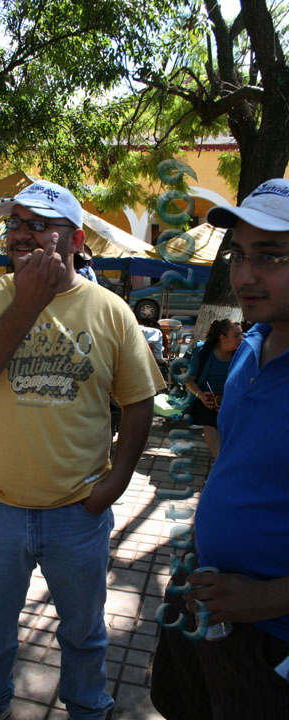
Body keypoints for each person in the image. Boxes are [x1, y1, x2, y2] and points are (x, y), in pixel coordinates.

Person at [0, 179, 166, 720]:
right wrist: (27, 303)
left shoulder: (111, 310)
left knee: (83, 631)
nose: (21, 233)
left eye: (38, 224)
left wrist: (114, 484)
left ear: (75, 239)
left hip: (77, 513)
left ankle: (87, 707)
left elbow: (139, 401)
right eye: (15, 223)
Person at [150, 177, 289, 720]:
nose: (245, 275)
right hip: (200, 590)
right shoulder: (251, 344)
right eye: (239, 254)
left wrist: (267, 599)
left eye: (270, 256)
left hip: (269, 636)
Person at [184, 319, 243, 457]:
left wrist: (228, 399)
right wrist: (200, 395)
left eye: (242, 334)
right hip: (207, 400)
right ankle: (220, 461)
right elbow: (188, 380)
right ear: (223, 338)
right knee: (209, 421)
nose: (242, 339)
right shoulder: (203, 352)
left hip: (232, 400)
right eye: (236, 336)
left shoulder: (242, 353)